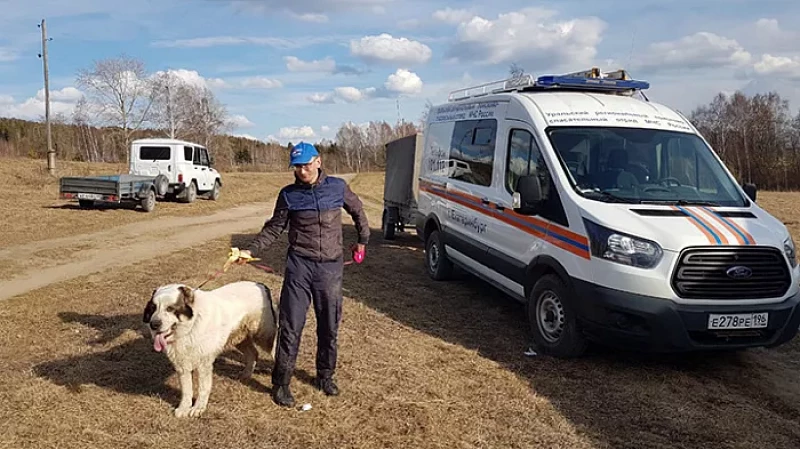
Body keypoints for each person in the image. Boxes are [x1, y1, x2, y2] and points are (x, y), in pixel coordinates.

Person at [235, 141, 369, 408]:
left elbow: (358, 212)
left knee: (329, 326)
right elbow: (274, 228)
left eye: (306, 165)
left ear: (318, 161)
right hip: (299, 267)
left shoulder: (338, 188)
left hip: (329, 268)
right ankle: (281, 383)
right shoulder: (288, 195)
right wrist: (249, 250)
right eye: (297, 167)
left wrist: (362, 241)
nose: (302, 171)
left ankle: (325, 376)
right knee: (290, 326)